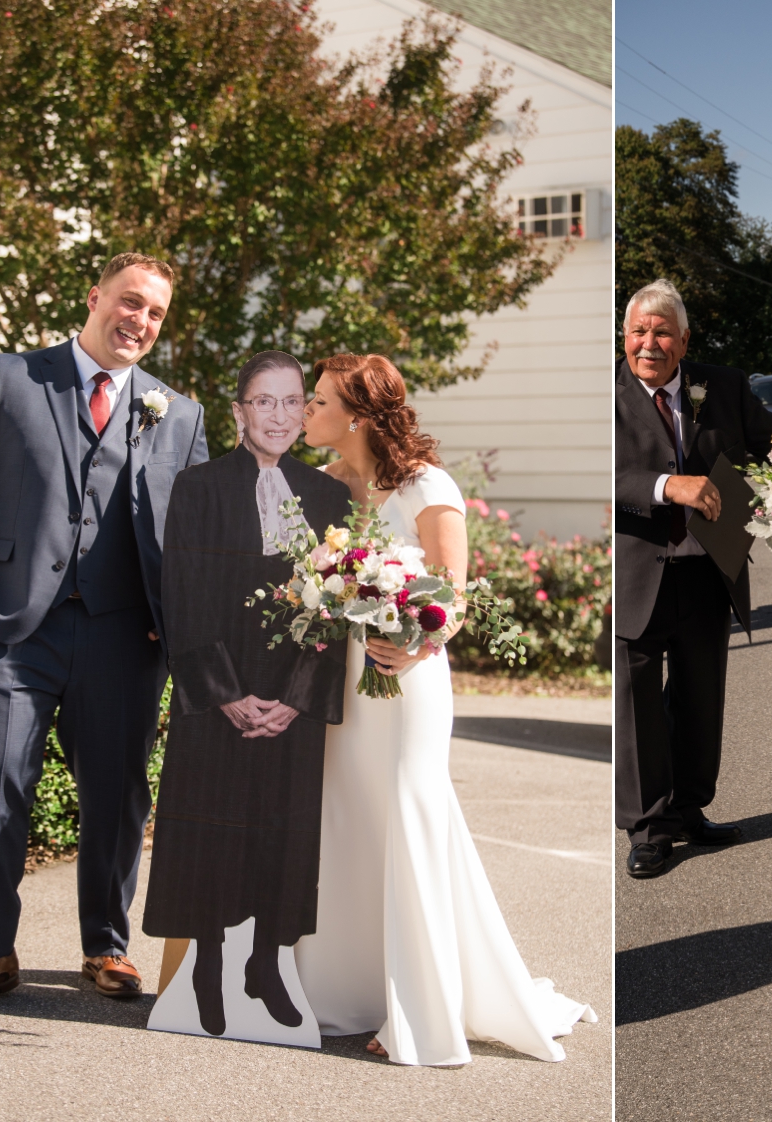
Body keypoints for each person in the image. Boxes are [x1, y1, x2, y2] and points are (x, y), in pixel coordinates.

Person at [0, 253, 208, 1012]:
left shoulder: (178, 413)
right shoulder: (12, 378)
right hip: (10, 631)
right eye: (130, 302)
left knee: (115, 799)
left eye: (155, 313)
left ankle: (106, 946)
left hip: (124, 637)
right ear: (96, 297)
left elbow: (203, 537)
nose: (139, 321)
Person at [292, 353, 593, 1065]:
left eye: (319, 401)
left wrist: (420, 643)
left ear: (357, 417)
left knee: (408, 818)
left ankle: (419, 1012)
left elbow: (451, 593)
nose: (307, 411)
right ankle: (342, 991)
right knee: (348, 824)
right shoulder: (320, 487)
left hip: (405, 681)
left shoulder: (427, 486)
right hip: (340, 686)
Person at [141, 351, 352, 1037]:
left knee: (280, 834)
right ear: (239, 411)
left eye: (294, 402)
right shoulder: (199, 489)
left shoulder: (329, 498)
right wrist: (226, 694)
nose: (281, 416)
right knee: (211, 831)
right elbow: (184, 598)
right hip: (219, 695)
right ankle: (207, 966)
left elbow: (336, 611)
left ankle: (265, 964)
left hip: (290, 696)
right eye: (265, 402)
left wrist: (294, 697)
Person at [613, 278, 772, 880]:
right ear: (623, 337)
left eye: (662, 332)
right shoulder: (604, 392)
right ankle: (648, 827)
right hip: (634, 573)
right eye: (638, 331)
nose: (648, 343)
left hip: (709, 570)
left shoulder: (726, 385)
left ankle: (688, 811)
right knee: (636, 710)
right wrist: (665, 486)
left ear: (684, 340)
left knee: (700, 698)